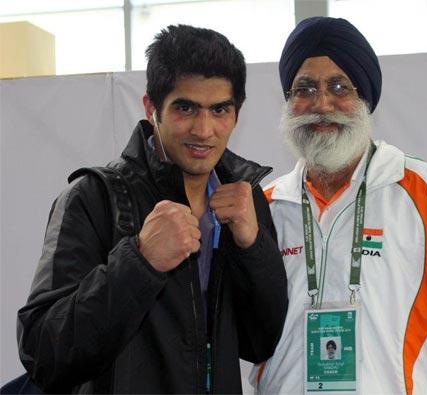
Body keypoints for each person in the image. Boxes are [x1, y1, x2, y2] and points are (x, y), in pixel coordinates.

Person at [17, 24, 288, 394]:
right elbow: (44, 353)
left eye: (219, 109)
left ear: (236, 115)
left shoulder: (244, 201)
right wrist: (140, 262)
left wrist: (254, 249)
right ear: (151, 107)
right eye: (185, 108)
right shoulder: (95, 198)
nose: (204, 129)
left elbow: (260, 343)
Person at [251, 16, 427, 394]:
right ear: (288, 101)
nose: (322, 103)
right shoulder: (264, 209)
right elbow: (240, 352)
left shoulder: (424, 191)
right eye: (305, 88)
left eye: (339, 86)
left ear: (364, 98)